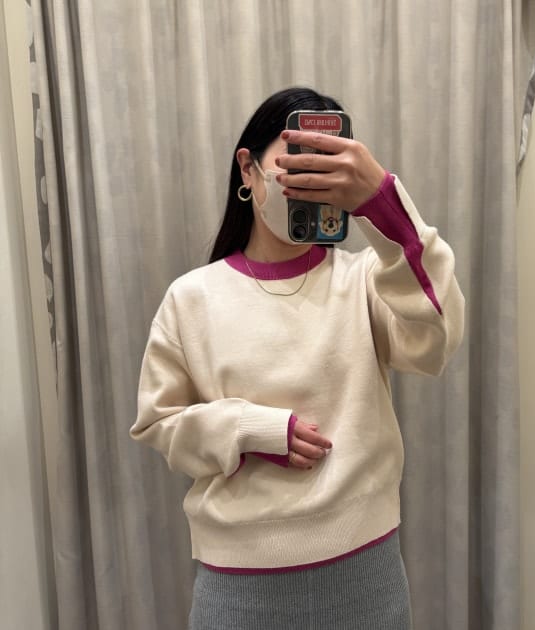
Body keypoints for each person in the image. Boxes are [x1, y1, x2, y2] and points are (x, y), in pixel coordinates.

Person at [131, 86, 465, 630]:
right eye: (297, 164)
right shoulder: (192, 298)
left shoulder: (365, 279)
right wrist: (250, 430)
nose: (310, 183)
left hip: (366, 576)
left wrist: (383, 205)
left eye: (327, 167)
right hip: (238, 589)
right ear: (248, 169)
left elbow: (436, 341)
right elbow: (158, 424)